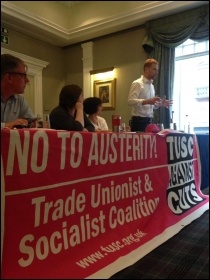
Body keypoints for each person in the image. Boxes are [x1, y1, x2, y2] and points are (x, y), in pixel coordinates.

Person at [128, 58, 173, 132]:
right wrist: (148, 101)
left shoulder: (152, 86)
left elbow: (151, 105)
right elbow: (130, 101)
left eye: (157, 70)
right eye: (154, 69)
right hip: (139, 122)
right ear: (146, 69)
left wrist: (160, 104)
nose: (157, 72)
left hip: (150, 121)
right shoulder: (137, 83)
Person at [1, 54, 35, 129]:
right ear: (9, 78)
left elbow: (31, 122)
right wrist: (6, 125)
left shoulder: (20, 100)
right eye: (23, 76)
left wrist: (33, 124)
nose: (27, 80)